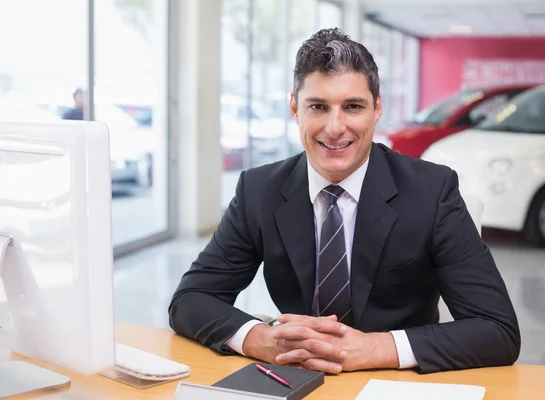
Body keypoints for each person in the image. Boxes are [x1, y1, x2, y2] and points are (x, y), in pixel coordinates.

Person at [168, 28, 520, 375]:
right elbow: (190, 299)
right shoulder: (258, 190)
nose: (335, 128)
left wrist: (376, 347)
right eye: (318, 106)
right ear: (295, 108)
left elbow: (497, 329)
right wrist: (261, 339)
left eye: (353, 107)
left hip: (395, 379)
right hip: (298, 375)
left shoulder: (433, 191)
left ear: (377, 109)